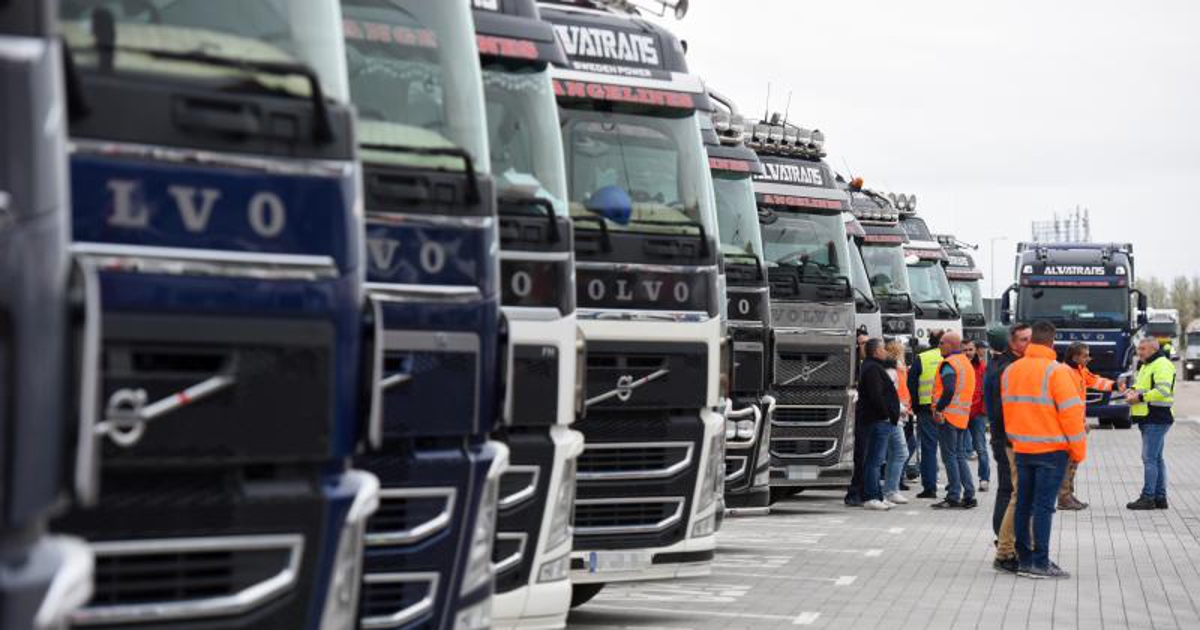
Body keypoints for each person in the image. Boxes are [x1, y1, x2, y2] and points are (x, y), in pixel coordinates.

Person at [1003, 321, 1086, 579]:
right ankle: (1040, 563)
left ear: (1031, 341)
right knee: (1043, 508)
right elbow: (1071, 416)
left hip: (1022, 448)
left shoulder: (1011, 370)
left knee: (1024, 504)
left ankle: (1025, 560)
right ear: (1052, 342)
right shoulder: (1057, 372)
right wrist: (1078, 451)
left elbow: (1008, 410)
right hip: (1051, 450)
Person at [984, 323, 1030, 574]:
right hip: (1007, 439)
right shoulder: (1007, 368)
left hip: (1003, 436)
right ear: (1010, 343)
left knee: (1007, 491)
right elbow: (1004, 410)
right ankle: (1004, 545)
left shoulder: (998, 364)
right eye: (1024, 340)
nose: (1028, 344)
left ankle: (1004, 542)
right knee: (1009, 492)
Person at [1059, 342, 1112, 510]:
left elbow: (1094, 381)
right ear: (1075, 357)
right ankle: (1063, 497)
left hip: (1075, 423)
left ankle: (1068, 495)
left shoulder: (1080, 370)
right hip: (1067, 425)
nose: (1088, 358)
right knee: (1068, 461)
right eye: (1085, 355)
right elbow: (1068, 404)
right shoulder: (1065, 373)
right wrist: (1080, 423)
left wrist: (1115, 386)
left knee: (1074, 460)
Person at [1125, 337, 1176, 510]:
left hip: (1156, 417)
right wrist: (1131, 392)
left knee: (1149, 459)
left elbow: (1162, 390)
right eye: (1139, 349)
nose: (1139, 352)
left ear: (1154, 349)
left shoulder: (1161, 364)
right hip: (1150, 417)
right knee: (1156, 459)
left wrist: (1138, 397)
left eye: (1143, 349)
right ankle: (1160, 498)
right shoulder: (1148, 365)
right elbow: (1143, 388)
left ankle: (1148, 497)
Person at [930, 332, 977, 509]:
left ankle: (953, 495)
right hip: (961, 416)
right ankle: (970, 495)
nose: (939, 346)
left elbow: (948, 389)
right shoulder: (966, 363)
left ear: (950, 345)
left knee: (950, 457)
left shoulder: (949, 364)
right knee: (959, 457)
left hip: (948, 416)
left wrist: (939, 409)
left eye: (942, 343)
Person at [857, 338, 902, 510]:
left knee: (877, 460)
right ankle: (871, 497)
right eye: (883, 349)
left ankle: (878, 495)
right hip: (878, 420)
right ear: (876, 351)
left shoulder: (873, 366)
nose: (886, 352)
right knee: (874, 461)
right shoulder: (872, 369)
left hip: (879, 420)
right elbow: (876, 395)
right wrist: (886, 415)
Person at [909, 330, 945, 499]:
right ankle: (955, 488)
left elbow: (912, 385)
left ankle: (930, 488)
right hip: (950, 410)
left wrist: (915, 407)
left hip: (925, 409)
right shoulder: (951, 358)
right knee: (953, 451)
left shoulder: (922, 358)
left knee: (929, 449)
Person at [884, 340, 913, 504]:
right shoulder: (894, 369)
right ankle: (891, 490)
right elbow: (894, 392)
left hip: (899, 412)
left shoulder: (897, 368)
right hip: (895, 414)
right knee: (900, 452)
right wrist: (902, 408)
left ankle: (890, 489)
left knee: (896, 452)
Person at [965, 340, 991, 491]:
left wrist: (983, 410)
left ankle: (984, 478)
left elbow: (985, 390)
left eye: (970, 349)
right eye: (965, 350)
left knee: (980, 447)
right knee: (958, 451)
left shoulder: (982, 367)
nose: (968, 352)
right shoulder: (958, 366)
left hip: (977, 414)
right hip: (960, 413)